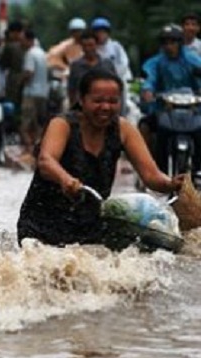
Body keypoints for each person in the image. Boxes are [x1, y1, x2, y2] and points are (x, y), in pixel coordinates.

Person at [17, 68, 185, 246]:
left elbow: (151, 176)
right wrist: (65, 179)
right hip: (41, 226)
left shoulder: (124, 129)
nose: (105, 107)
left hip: (90, 226)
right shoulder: (62, 124)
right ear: (81, 100)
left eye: (113, 101)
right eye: (98, 101)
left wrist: (171, 184)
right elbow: (45, 161)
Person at [138, 24, 201, 171]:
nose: (169, 46)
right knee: (144, 126)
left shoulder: (191, 59)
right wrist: (147, 90)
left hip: (192, 109)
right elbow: (150, 78)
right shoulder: (156, 62)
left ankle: (199, 169)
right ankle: (147, 167)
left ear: (180, 43)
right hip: (164, 108)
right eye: (165, 42)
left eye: (173, 42)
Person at [67, 30, 116, 106]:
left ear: (96, 45)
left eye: (90, 45)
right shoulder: (76, 66)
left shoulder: (107, 65)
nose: (88, 49)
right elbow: (71, 90)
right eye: (85, 46)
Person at [20, 29, 49, 157]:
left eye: (22, 40)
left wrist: (20, 81)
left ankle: (29, 150)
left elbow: (29, 72)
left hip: (31, 92)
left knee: (26, 125)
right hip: (43, 92)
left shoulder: (30, 54)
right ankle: (39, 149)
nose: (21, 43)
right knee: (39, 124)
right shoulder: (42, 53)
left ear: (29, 40)